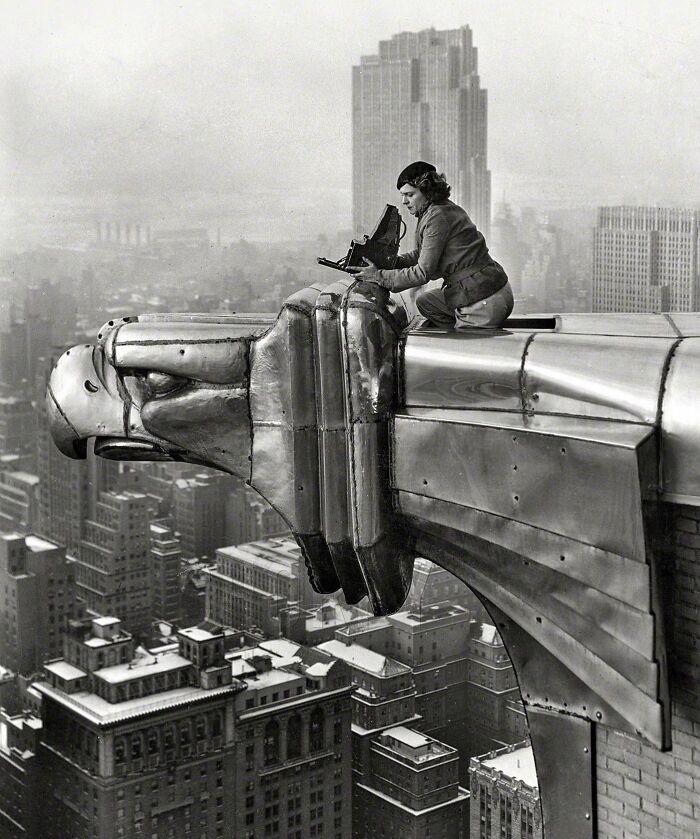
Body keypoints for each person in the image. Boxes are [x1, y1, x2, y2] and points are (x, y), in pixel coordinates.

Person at [348, 161, 513, 328]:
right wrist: (392, 263)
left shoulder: (436, 216)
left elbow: (422, 273)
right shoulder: (440, 209)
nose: (404, 201)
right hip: (491, 288)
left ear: (427, 191)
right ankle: (458, 328)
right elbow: (424, 253)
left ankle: (463, 330)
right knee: (426, 302)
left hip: (484, 298)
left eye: (410, 195)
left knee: (460, 344)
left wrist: (378, 276)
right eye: (403, 195)